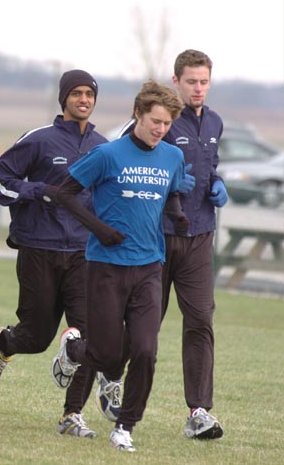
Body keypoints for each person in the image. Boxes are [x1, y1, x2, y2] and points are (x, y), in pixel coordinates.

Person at [50, 80, 188, 452]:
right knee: (107, 356)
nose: (160, 129)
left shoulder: (172, 157)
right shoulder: (108, 154)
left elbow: (172, 191)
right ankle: (73, 350)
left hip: (148, 268)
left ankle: (125, 426)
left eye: (166, 124)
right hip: (106, 266)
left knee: (145, 350)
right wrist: (100, 229)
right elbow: (63, 193)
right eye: (154, 121)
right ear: (137, 115)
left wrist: (177, 217)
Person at [0, 69, 120, 438]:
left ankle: (71, 415)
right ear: (64, 99)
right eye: (76, 93)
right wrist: (39, 190)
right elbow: (0, 179)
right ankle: (4, 344)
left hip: (83, 254)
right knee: (37, 337)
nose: (84, 99)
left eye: (90, 94)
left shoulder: (104, 148)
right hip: (39, 248)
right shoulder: (39, 140)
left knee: (88, 336)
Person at [116, 50, 226, 440]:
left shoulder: (214, 122)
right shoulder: (159, 120)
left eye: (204, 81)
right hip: (156, 239)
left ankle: (198, 412)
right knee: (144, 326)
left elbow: (209, 165)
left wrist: (215, 183)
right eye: (191, 81)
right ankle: (109, 377)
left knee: (200, 321)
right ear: (176, 81)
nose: (198, 88)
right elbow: (122, 164)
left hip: (199, 238)